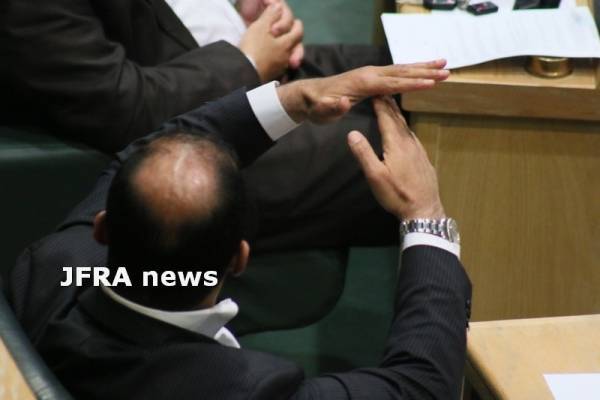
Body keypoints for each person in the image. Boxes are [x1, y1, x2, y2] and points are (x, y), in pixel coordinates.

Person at [8, 64, 471, 399]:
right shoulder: (244, 388)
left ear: (102, 228)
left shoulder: (51, 267)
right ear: (239, 260)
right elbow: (422, 386)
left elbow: (144, 153)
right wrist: (424, 213)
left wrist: (295, 99)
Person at [0, 0, 397, 250]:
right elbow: (124, 109)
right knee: (397, 144)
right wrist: (247, 63)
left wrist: (236, 9)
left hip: (222, 62)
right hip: (173, 144)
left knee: (401, 68)